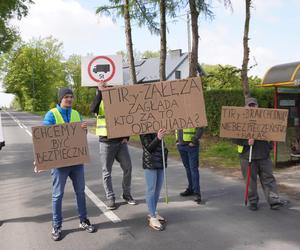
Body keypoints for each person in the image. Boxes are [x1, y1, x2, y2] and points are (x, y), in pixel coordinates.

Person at [43, 87, 95, 241]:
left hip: (77, 162)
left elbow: (80, 137)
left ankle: (83, 220)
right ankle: (56, 225)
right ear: (60, 99)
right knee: (58, 195)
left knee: (80, 192)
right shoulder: (52, 114)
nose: (69, 99)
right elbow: (43, 137)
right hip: (59, 164)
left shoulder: (76, 114)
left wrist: (84, 130)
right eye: (66, 97)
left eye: (71, 96)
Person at [235, 97, 288, 211]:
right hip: (247, 156)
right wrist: (246, 141)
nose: (252, 107)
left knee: (269, 178)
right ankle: (253, 201)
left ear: (258, 106)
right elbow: (234, 138)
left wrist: (269, 146)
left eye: (254, 105)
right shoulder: (239, 120)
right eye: (250, 105)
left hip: (263, 156)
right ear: (245, 107)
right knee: (250, 181)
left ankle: (273, 200)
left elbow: (273, 132)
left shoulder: (265, 118)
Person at [90, 82, 136, 210]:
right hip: (106, 142)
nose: (109, 88)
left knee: (128, 167)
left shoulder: (120, 101)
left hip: (121, 142)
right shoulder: (100, 100)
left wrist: (127, 137)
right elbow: (92, 109)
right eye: (107, 87)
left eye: (111, 86)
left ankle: (126, 194)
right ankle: (110, 198)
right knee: (107, 172)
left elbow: (127, 118)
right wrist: (100, 91)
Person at [140, 129, 168, 231]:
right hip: (150, 162)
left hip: (160, 161)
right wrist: (158, 137)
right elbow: (148, 147)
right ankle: (152, 217)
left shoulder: (157, 125)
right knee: (151, 189)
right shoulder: (143, 128)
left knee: (157, 189)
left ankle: (153, 212)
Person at [176, 127, 204, 203]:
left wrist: (194, 141)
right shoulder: (178, 115)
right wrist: (177, 141)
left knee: (193, 169)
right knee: (188, 168)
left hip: (191, 146)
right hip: (181, 145)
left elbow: (200, 128)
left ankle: (197, 193)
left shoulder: (194, 114)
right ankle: (191, 188)